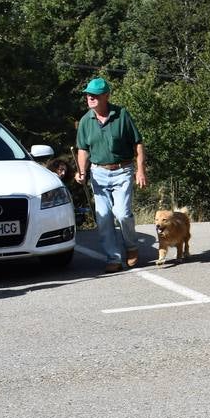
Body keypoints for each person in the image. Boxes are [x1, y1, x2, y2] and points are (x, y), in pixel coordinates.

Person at [74, 77, 147, 273]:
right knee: (103, 216)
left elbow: (137, 143)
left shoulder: (121, 115)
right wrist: (81, 171)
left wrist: (140, 170)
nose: (90, 97)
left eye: (95, 95)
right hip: (98, 173)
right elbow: (82, 149)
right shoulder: (85, 121)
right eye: (88, 94)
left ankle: (131, 247)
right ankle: (113, 257)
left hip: (123, 170)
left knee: (122, 213)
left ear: (106, 96)